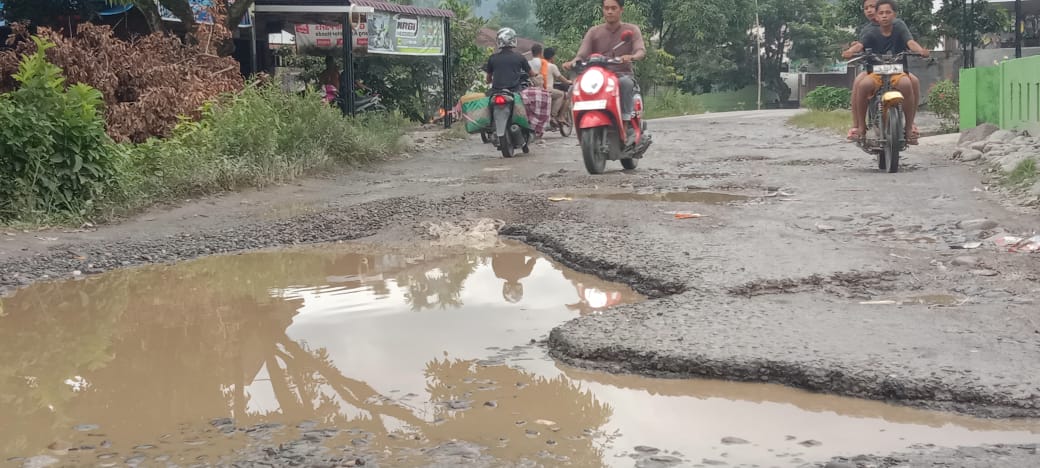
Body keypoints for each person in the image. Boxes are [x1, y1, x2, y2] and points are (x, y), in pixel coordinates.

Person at [842, 0, 929, 145]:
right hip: (875, 72)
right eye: (880, 13)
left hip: (897, 71)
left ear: (894, 14)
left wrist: (920, 50)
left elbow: (910, 42)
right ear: (876, 15)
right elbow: (860, 45)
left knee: (909, 83)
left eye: (888, 12)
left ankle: (909, 127)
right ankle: (860, 127)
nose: (884, 16)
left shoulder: (900, 27)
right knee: (862, 85)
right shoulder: (869, 30)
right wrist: (850, 51)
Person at [564, 0, 646, 144]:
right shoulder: (594, 31)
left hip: (622, 73)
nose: (609, 11)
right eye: (606, 8)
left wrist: (631, 57)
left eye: (613, 8)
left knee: (625, 84)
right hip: (597, 77)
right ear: (603, 10)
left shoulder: (631, 30)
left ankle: (625, 123)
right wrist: (573, 62)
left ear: (621, 10)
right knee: (575, 87)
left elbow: (640, 50)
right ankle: (580, 124)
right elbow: (582, 54)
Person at [483, 27, 533, 93]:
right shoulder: (520, 57)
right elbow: (531, 74)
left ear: (498, 40)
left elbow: (488, 79)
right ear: (513, 40)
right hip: (515, 91)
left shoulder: (492, 58)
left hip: (496, 92)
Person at [544, 47, 573, 126]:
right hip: (548, 90)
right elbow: (560, 77)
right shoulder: (552, 66)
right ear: (552, 57)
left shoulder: (540, 64)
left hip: (538, 89)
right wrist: (568, 81)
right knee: (562, 94)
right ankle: (554, 116)